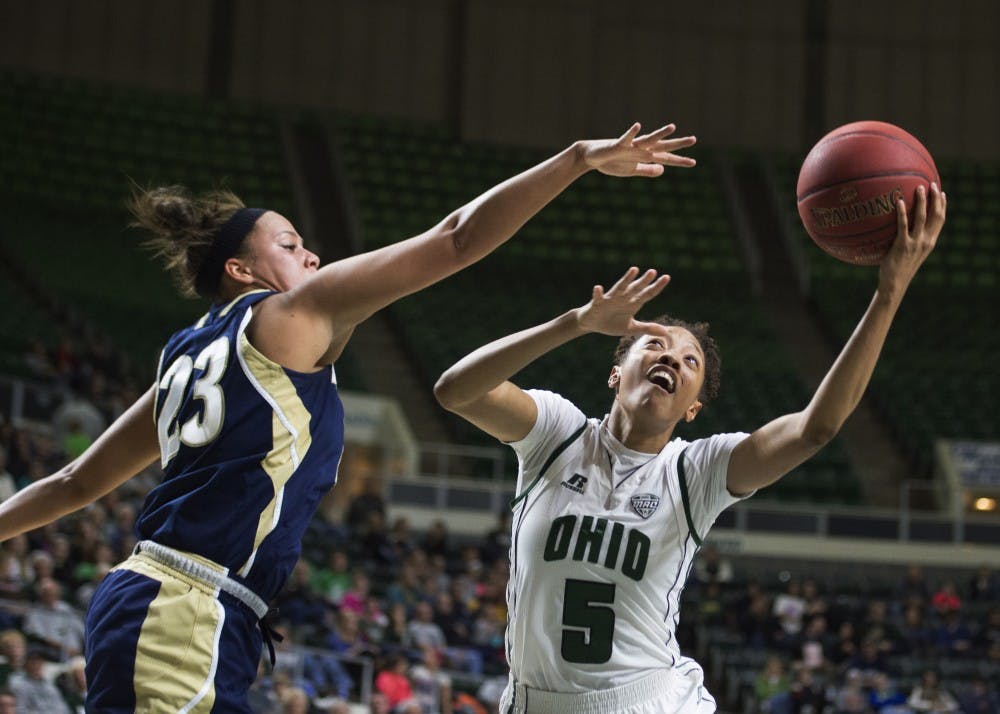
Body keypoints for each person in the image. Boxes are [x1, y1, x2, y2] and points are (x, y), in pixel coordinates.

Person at [0, 122, 696, 711]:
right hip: (184, 609)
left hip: (171, 604)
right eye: (290, 243)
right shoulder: (289, 314)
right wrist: (576, 159)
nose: (312, 255)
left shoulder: (182, 358)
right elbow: (456, 239)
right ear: (243, 272)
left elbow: (70, 486)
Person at [433, 183, 945, 712]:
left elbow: (816, 427)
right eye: (655, 343)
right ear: (615, 373)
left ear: (693, 409)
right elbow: (455, 391)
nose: (673, 358)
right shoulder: (557, 434)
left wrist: (889, 292)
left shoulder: (696, 470)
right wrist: (576, 322)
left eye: (690, 360)